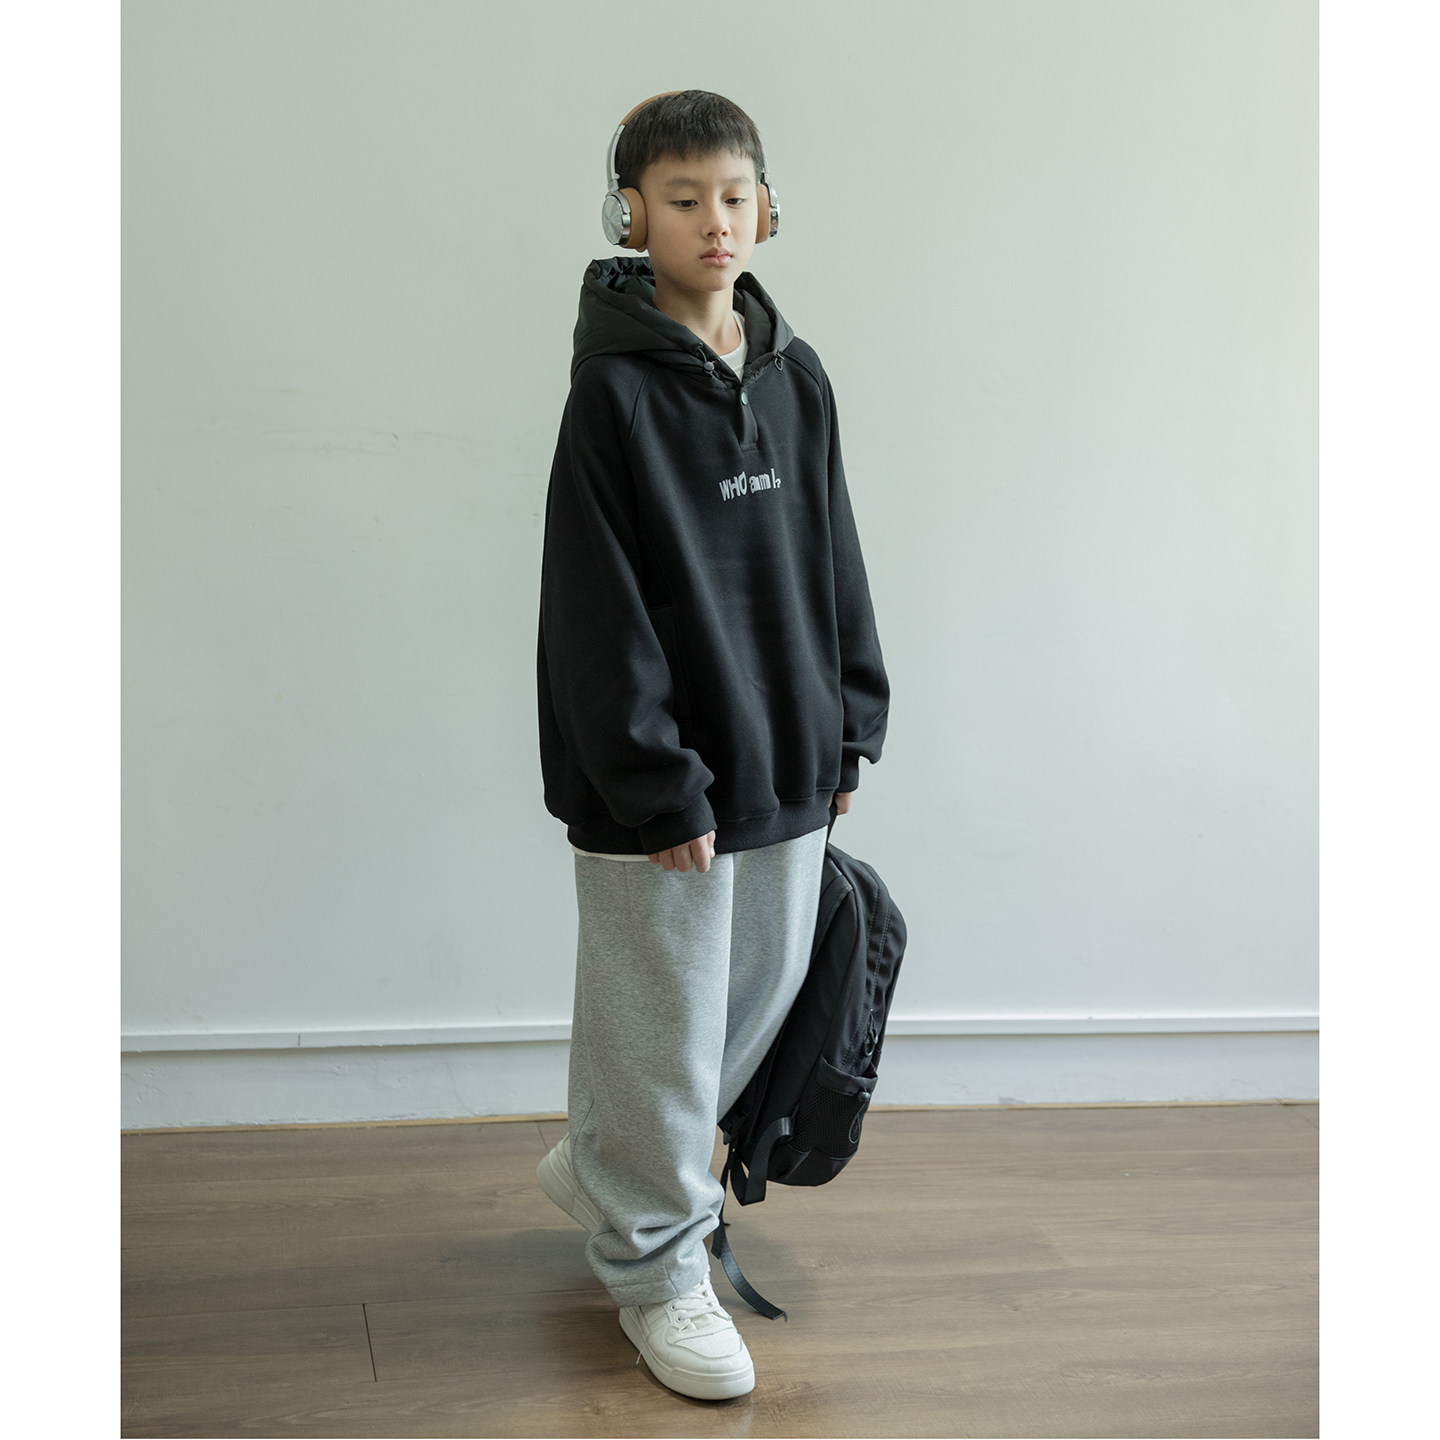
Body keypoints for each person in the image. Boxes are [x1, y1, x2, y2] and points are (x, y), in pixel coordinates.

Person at [534, 89, 889, 1401]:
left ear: (767, 207)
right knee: (662, 1027)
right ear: (631, 214)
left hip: (786, 750)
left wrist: (848, 720)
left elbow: (833, 553)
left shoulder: (796, 375)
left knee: (757, 994)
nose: (714, 222)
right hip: (663, 779)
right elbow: (595, 608)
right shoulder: (613, 396)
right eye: (683, 200)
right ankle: (654, 1267)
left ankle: (615, 1165)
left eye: (733, 196)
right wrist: (651, 776)